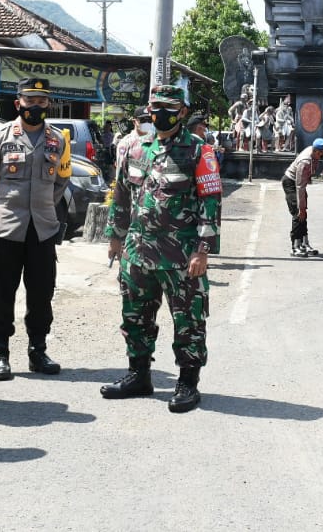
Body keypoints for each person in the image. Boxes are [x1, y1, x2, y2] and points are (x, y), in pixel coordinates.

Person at [102, 84, 221, 413]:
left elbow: (211, 201)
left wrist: (203, 249)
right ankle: (138, 375)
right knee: (135, 317)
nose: (161, 114)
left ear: (182, 112)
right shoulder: (134, 148)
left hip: (181, 257)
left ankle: (187, 383)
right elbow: (122, 195)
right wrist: (116, 236)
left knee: (189, 320)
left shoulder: (199, 150)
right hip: (138, 252)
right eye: (156, 107)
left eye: (170, 108)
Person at [0, 77, 71, 381]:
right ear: (18, 104)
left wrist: (43, 207)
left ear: (48, 104)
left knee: (42, 293)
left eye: (42, 101)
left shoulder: (58, 140)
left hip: (42, 230)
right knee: (3, 292)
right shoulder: (0, 138)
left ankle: (37, 351)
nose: (36, 106)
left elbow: (60, 182)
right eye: (30, 101)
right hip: (6, 229)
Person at [282, 138, 323, 257]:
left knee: (303, 215)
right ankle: (295, 247)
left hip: (299, 184)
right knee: (298, 213)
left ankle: (304, 244)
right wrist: (302, 207)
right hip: (291, 183)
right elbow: (300, 186)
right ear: (316, 151)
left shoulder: (314, 153)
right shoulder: (305, 162)